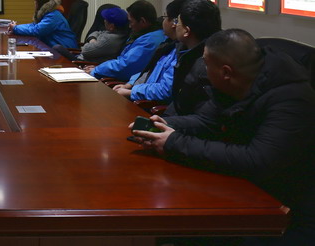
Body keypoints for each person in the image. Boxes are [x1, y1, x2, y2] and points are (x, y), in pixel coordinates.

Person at [132, 29, 315, 244]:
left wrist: (174, 142)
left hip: (286, 210)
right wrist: (166, 125)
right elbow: (206, 121)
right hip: (244, 189)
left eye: (206, 64)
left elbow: (257, 159)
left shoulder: (291, 98)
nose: (203, 69)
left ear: (226, 72)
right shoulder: (235, 82)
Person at [113, 0, 185, 101]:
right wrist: (130, 84)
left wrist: (132, 91)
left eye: (165, 17)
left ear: (175, 22)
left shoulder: (179, 51)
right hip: (143, 93)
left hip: (151, 103)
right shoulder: (168, 43)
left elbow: (165, 90)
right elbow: (150, 71)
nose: (162, 21)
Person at [164, 0, 222, 116]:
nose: (174, 25)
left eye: (177, 22)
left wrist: (166, 121)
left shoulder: (205, 66)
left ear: (186, 31)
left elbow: (201, 117)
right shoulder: (185, 51)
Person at [87, 0, 166, 81]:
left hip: (127, 82)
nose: (129, 26)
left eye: (131, 22)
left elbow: (125, 67)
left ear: (142, 21)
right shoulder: (145, 34)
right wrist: (100, 67)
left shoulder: (149, 41)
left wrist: (97, 70)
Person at [9, 0, 78, 49]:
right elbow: (34, 25)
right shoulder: (48, 13)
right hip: (54, 46)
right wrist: (16, 27)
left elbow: (38, 30)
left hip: (64, 49)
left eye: (36, 1)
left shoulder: (53, 16)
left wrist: (15, 28)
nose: (34, 3)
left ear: (40, 3)